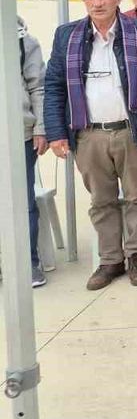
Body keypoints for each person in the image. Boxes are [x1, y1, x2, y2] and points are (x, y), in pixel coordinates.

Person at [43, 0, 137, 290]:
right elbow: (55, 86)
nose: (97, 3)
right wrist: (56, 132)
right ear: (83, 0)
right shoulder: (67, 35)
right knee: (101, 201)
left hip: (133, 131)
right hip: (88, 134)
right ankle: (110, 260)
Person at [19, 17, 48, 287]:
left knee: (23, 204)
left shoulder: (23, 41)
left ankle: (28, 262)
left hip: (19, 135)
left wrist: (41, 128)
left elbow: (38, 87)